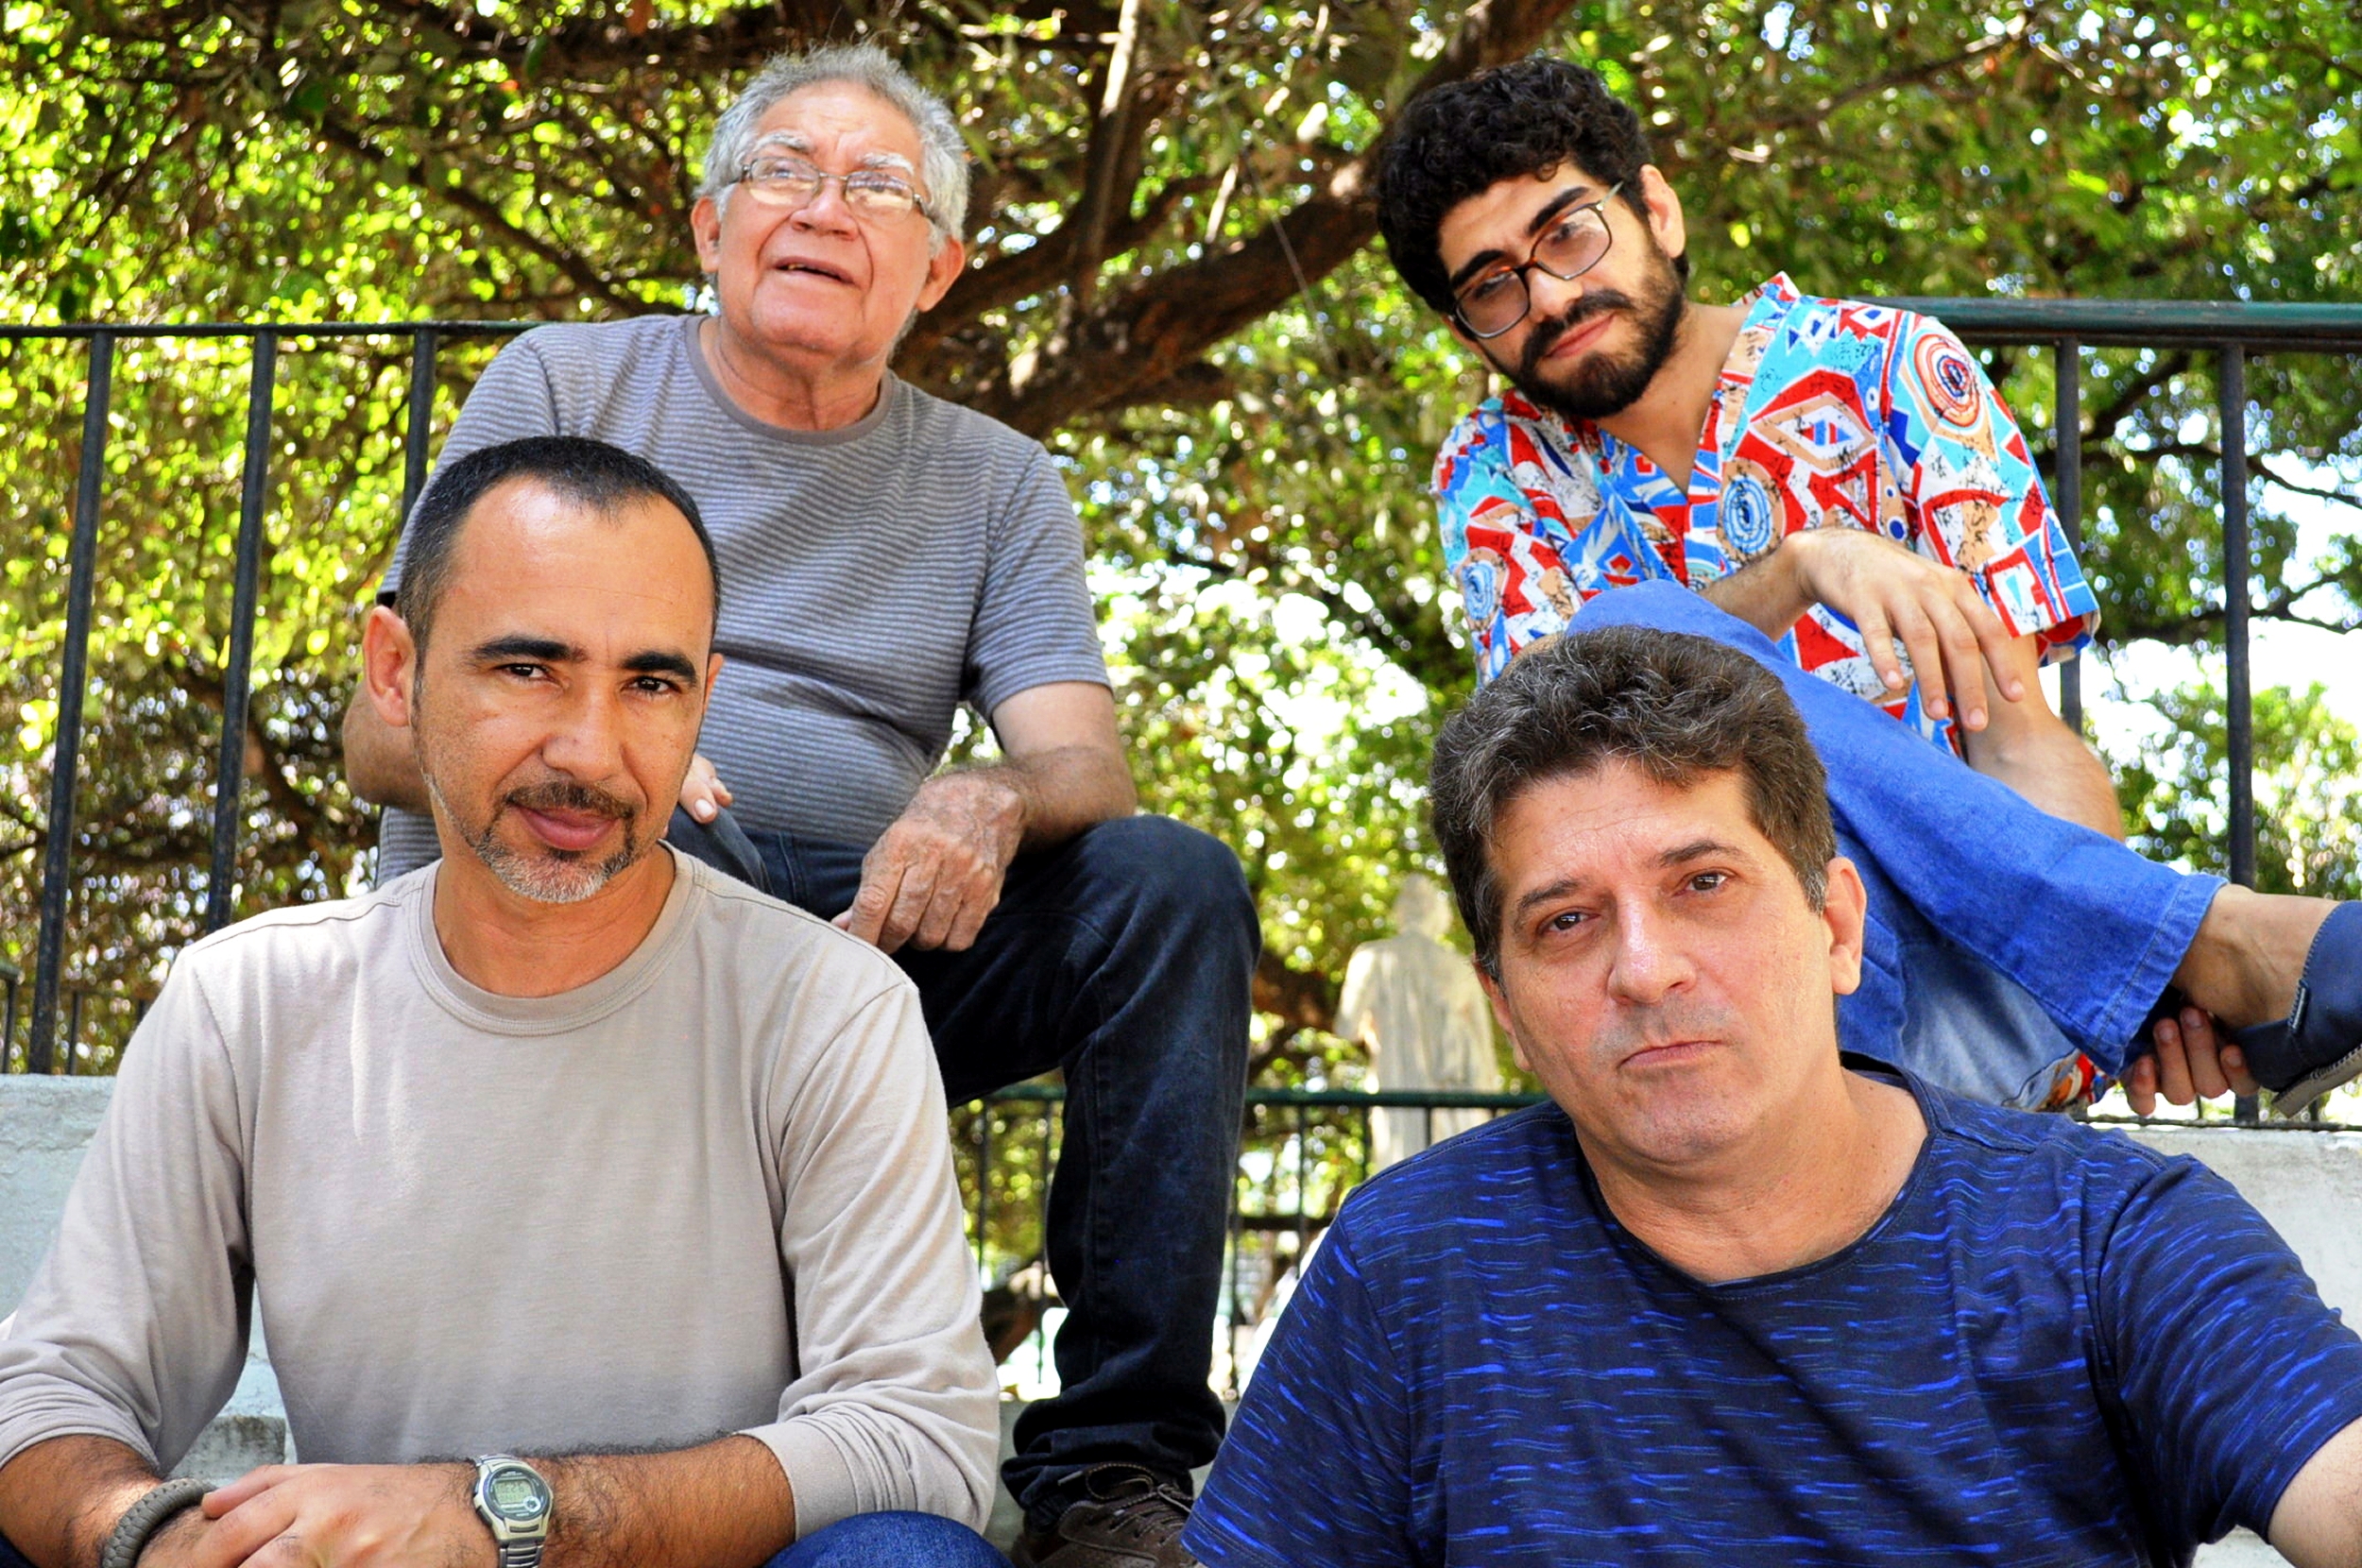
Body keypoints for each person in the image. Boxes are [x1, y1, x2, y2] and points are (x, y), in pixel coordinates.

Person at [339, 45, 1256, 1568]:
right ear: (711, 227)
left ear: (937, 269)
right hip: (566, 890)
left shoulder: (999, 481)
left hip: (848, 946)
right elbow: (383, 729)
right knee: (674, 833)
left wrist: (986, 794)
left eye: (878, 187)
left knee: (1168, 887)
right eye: (784, 171)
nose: (826, 208)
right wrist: (599, 765)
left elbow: (1087, 766)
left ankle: (1111, 1474)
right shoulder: (566, 385)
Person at [0, 436, 1005, 1568]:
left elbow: (920, 1440)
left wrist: (496, 1514)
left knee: (907, 1559)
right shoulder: (250, 1001)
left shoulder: (830, 1008)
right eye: (528, 668)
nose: (590, 750)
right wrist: (159, 1539)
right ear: (396, 670)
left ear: (704, 699)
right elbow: (51, 1391)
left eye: (652, 684)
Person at [1184, 624, 2362, 1567]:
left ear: (1837, 928)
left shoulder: (2106, 1238)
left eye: (1703, 882)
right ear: (1506, 1008)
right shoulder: (1408, 1268)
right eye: (1566, 920)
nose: (1644, 968)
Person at [1371, 57, 2362, 1116]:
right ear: (1465, 328)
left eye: (1569, 234)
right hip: (1702, 1011)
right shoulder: (1490, 473)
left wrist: (2092, 998)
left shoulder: (1887, 364)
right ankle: (2213, 939)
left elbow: (2019, 740)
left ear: (1655, 210)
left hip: (1960, 990)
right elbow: (1562, 765)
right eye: (1493, 286)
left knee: (1622, 644)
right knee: (1611, 650)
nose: (1552, 296)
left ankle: (2143, 959)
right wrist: (1805, 562)